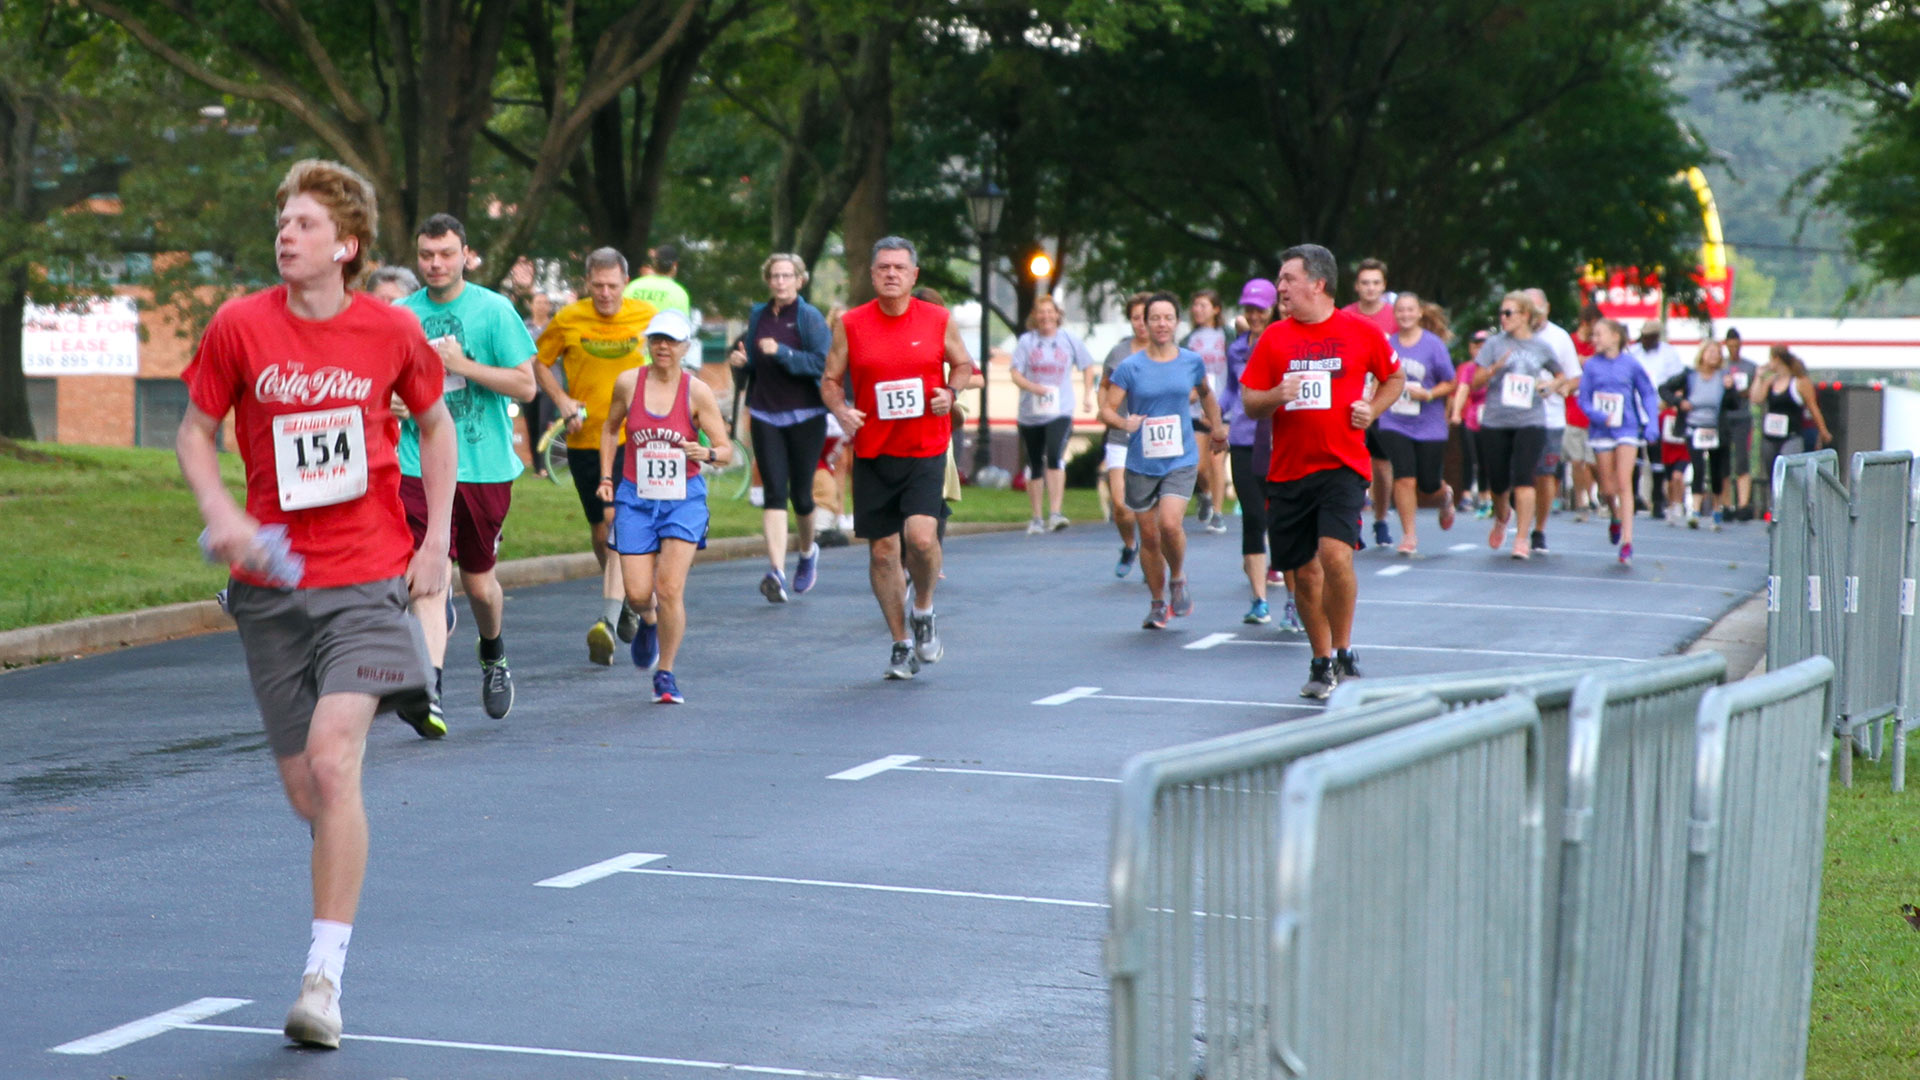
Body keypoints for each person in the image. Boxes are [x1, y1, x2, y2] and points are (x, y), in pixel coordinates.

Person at [176, 159, 455, 1049]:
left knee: (335, 765)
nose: (285, 234)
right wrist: (220, 510)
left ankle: (322, 982)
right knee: (307, 790)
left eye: (303, 223)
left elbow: (437, 422)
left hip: (370, 580)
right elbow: (195, 428)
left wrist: (437, 539)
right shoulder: (238, 327)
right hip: (272, 591)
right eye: (281, 221)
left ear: (346, 245)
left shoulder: (388, 331)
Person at [392, 213, 538, 732]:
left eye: (446, 254)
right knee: (427, 579)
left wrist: (463, 364)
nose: (435, 264)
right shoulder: (400, 316)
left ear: (465, 255)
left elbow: (526, 388)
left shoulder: (493, 311)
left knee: (479, 586)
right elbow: (380, 386)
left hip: (483, 467)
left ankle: (493, 653)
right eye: (427, 255)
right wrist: (393, 402)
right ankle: (428, 690)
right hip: (417, 465)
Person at [1241, 244, 1404, 699]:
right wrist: (1277, 394)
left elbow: (1395, 378)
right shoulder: (1274, 337)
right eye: (1279, 279)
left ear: (1318, 283)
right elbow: (1251, 401)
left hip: (1342, 464)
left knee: (1336, 556)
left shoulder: (1362, 331)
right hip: (1289, 470)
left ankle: (1345, 647)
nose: (1280, 287)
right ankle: (1321, 660)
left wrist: (1370, 410)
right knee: (1304, 574)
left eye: (1288, 278)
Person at [821, 237, 975, 680]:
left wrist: (951, 391)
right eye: (883, 267)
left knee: (922, 540)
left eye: (899, 268)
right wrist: (841, 409)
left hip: (925, 446)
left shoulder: (938, 319)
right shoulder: (851, 324)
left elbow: (962, 365)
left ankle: (923, 609)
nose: (891, 273)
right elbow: (831, 379)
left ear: (913, 276)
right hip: (873, 449)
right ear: (872, 275)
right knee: (884, 554)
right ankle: (900, 642)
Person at [595, 310, 731, 704]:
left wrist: (705, 451)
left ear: (686, 346)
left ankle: (666, 673)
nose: (663, 347)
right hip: (636, 497)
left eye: (671, 340)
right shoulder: (628, 382)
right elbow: (609, 428)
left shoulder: (697, 391)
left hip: (683, 499)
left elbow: (725, 452)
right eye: (656, 339)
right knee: (639, 595)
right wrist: (607, 476)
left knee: (668, 587)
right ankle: (648, 621)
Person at [532, 249, 658, 664]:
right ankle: (625, 599)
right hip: (585, 438)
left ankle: (608, 615)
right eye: (598, 286)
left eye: (613, 286)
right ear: (587, 284)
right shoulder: (569, 319)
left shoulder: (646, 316)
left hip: (634, 438)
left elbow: (667, 363)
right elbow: (539, 363)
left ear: (625, 284)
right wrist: (562, 399)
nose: (606, 294)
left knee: (615, 519)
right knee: (600, 530)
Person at [731, 252, 830, 601]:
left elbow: (822, 363)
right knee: (774, 492)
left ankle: (806, 553)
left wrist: (783, 352)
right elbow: (753, 365)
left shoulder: (810, 317)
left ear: (800, 280)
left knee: (800, 495)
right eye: (775, 276)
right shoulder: (758, 315)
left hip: (806, 415)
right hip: (765, 413)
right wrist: (742, 363)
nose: (781, 282)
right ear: (768, 280)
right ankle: (776, 571)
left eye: (787, 276)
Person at [1222, 278, 1300, 627]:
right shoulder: (1237, 348)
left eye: (1260, 309)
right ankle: (1259, 600)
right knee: (1253, 518)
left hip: (1282, 439)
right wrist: (1215, 420)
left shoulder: (1287, 343)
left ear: (1274, 310)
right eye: (1249, 309)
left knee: (1284, 521)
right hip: (1242, 439)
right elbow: (1229, 391)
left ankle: (1295, 602)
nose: (1254, 315)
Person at [1471, 291, 1566, 560]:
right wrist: (1493, 369)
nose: (1503, 318)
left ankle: (1522, 538)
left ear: (1525, 315)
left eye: (1508, 313)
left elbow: (1561, 376)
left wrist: (1551, 385)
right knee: (1498, 481)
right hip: (1496, 420)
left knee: (1525, 478)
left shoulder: (1541, 347)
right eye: (1501, 313)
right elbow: (1475, 381)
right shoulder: (1493, 344)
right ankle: (1502, 515)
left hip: (1531, 420)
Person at [1375, 292, 1457, 555]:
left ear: (1420, 313)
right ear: (1394, 314)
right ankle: (1409, 535)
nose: (1405, 315)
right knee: (1404, 477)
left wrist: (1429, 394)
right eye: (1400, 311)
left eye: (1410, 310)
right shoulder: (1388, 345)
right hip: (1394, 421)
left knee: (1428, 484)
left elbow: (1451, 381)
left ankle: (1445, 496)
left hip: (1429, 423)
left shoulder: (1433, 345)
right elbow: (1378, 377)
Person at [1576, 317, 1660, 566]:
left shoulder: (1631, 364)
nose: (1594, 339)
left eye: (1599, 334)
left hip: (1627, 427)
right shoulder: (1591, 366)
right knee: (1607, 488)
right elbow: (1584, 399)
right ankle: (1614, 514)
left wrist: (1652, 422)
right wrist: (1598, 415)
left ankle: (1627, 541)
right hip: (1602, 430)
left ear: (1615, 336)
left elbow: (1647, 392)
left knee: (1625, 482)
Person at [1010, 294, 1097, 533]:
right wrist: (1032, 387)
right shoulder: (1027, 341)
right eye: (1041, 312)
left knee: (1055, 453)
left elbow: (1088, 366)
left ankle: (1056, 512)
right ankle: (1037, 516)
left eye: (1050, 312)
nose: (1046, 316)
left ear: (1058, 315)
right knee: (1035, 461)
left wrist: (1088, 395)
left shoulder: (1068, 339)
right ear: (1034, 317)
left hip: (1060, 410)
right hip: (1031, 412)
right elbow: (1015, 373)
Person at [1524, 288, 1580, 555]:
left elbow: (1574, 377)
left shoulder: (1559, 338)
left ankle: (1539, 530)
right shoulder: (1512, 335)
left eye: (1538, 309)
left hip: (1550, 416)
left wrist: (1558, 386)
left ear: (1547, 308)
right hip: (1516, 416)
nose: (1533, 315)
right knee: (1520, 474)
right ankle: (1519, 517)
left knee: (1545, 474)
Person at [1101, 293, 1152, 577]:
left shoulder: (1165, 352)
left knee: (1148, 507)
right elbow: (1104, 385)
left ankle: (1150, 554)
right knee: (1122, 506)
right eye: (1135, 318)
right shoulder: (1119, 353)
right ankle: (1130, 544)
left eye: (1146, 317)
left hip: (1155, 439)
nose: (1141, 324)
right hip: (1121, 435)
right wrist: (1103, 409)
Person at [1750, 344, 1832, 516]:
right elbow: (1756, 398)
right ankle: (1775, 510)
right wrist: (1759, 377)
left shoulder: (1799, 383)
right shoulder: (1771, 381)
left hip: (1791, 435)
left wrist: (1823, 431)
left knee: (1789, 471)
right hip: (1770, 435)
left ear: (1777, 359)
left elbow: (1813, 408)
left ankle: (1793, 510)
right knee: (1772, 473)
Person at [1662, 340, 1733, 529]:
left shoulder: (1724, 377)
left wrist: (1730, 388)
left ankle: (1717, 510)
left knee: (1717, 471)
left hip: (1716, 428)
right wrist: (1679, 401)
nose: (1713, 356)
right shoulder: (1690, 375)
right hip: (1694, 427)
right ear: (1702, 354)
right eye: (1709, 352)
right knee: (1698, 468)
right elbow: (1664, 389)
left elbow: (1734, 404)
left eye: (1717, 353)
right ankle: (1695, 510)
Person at [1627, 320, 1686, 519]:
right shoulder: (1634, 353)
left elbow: (1677, 383)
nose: (1645, 341)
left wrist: (1667, 403)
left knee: (1657, 457)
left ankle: (1657, 500)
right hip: (1635, 409)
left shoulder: (1668, 354)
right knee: (1634, 457)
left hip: (1658, 409)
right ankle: (1633, 496)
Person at [1185, 289, 1232, 533]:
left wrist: (1221, 409)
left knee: (1216, 462)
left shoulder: (1227, 336)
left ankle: (1217, 513)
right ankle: (1203, 493)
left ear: (1216, 309)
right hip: (1195, 409)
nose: (1197, 310)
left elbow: (1234, 372)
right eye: (1195, 305)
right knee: (1198, 466)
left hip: (1221, 408)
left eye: (1203, 305)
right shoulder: (1188, 340)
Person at [1563, 301, 1602, 521]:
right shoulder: (1571, 342)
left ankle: (1603, 495)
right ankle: (1582, 503)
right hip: (1573, 410)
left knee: (1594, 462)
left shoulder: (1600, 345)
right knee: (1576, 461)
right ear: (1585, 323)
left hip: (1595, 412)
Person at [1719, 327, 1759, 520]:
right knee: (1723, 461)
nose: (1733, 349)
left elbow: (1753, 391)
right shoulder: (1721, 366)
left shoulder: (1750, 367)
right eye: (1730, 345)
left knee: (1742, 460)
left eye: (1736, 346)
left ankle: (1743, 503)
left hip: (1742, 416)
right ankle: (1726, 503)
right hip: (1724, 417)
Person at [1451, 329, 1492, 518]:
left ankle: (1487, 495)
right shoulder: (1468, 368)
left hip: (1493, 419)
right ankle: (1466, 494)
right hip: (1472, 417)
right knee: (1469, 456)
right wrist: (1455, 412)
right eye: (1476, 346)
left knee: (1487, 459)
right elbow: (1460, 390)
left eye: (1483, 346)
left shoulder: (1496, 366)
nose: (1479, 350)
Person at [623, 242, 691, 315]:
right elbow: (681, 324)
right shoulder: (679, 294)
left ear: (654, 263)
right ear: (675, 265)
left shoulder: (632, 287)